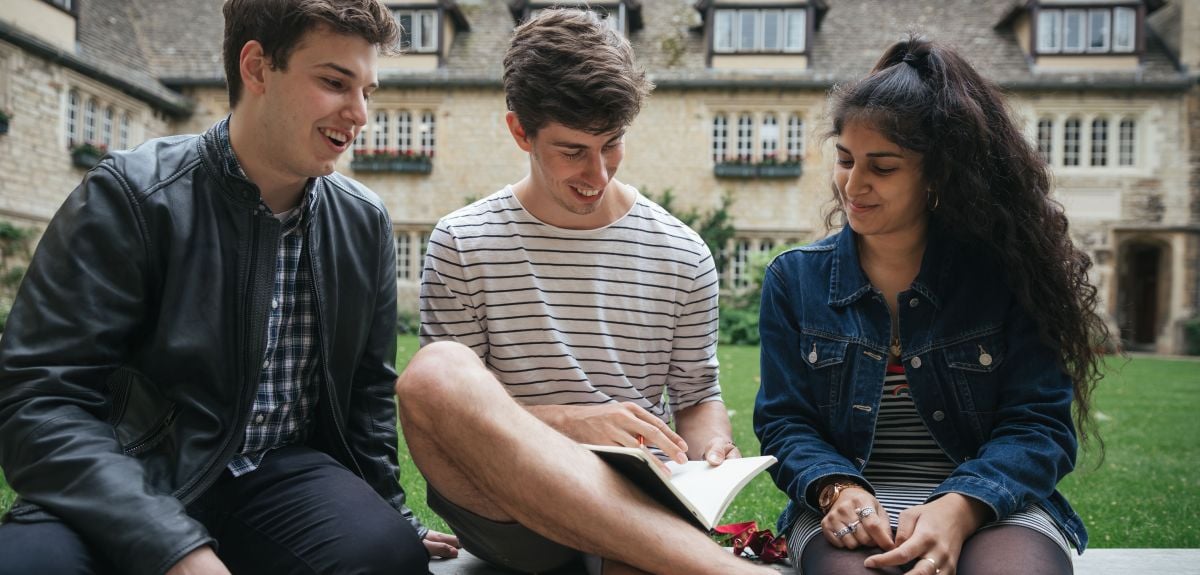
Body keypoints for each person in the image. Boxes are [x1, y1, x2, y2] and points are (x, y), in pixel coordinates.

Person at [0, 1, 458, 573]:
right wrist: (174, 546)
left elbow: (366, 401)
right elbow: (40, 401)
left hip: (274, 474)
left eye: (368, 89)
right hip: (127, 470)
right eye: (335, 82)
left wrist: (396, 517)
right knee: (30, 565)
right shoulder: (131, 197)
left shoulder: (363, 222)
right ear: (258, 68)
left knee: (386, 557)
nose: (360, 113)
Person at [394, 9, 773, 575]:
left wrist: (713, 449)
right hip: (511, 511)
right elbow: (457, 421)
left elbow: (697, 397)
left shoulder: (683, 251)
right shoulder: (462, 242)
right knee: (436, 372)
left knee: (631, 554)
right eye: (572, 151)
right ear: (520, 131)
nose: (597, 173)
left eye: (612, 144)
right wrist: (573, 423)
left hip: (639, 500)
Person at [754, 36, 1109, 575]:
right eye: (846, 160)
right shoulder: (794, 278)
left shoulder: (1004, 275)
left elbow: (1039, 426)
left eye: (884, 167)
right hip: (854, 507)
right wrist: (835, 488)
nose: (854, 184)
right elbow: (785, 421)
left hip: (992, 502)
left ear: (938, 175)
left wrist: (960, 506)